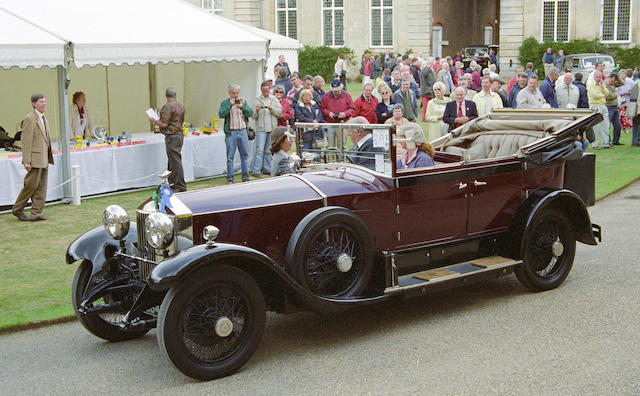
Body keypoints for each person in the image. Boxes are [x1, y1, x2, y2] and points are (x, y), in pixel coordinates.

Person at [12, 93, 54, 221]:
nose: (44, 104)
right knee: (31, 185)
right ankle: (18, 209)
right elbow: (26, 141)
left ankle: (36, 213)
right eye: (41, 102)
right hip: (34, 159)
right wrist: (26, 161)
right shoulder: (30, 118)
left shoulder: (43, 118)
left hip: (44, 158)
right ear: (34, 104)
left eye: (45, 101)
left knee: (41, 187)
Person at [149, 88, 186, 192]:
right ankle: (173, 183)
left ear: (166, 96)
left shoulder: (167, 107)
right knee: (173, 161)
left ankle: (180, 185)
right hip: (179, 134)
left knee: (175, 162)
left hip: (172, 136)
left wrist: (154, 121)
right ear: (175, 95)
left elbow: (164, 123)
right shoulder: (180, 106)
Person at [219, 83, 254, 183]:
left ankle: (245, 177)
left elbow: (251, 113)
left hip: (242, 131)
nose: (236, 95)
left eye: (237, 93)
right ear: (229, 93)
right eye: (233, 93)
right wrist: (230, 105)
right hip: (231, 132)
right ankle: (230, 178)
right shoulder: (225, 103)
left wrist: (242, 107)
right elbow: (221, 114)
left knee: (245, 155)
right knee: (230, 157)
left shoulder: (243, 101)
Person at [252, 81, 282, 177]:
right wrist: (256, 111)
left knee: (269, 150)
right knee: (259, 150)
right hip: (261, 128)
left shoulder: (274, 99)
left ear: (270, 90)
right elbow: (253, 116)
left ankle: (267, 168)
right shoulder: (257, 100)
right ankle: (256, 171)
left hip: (272, 128)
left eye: (267, 91)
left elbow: (279, 112)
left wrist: (271, 108)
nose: (266, 93)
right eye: (264, 91)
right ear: (261, 90)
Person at [321, 79, 355, 146]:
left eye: (337, 90)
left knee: (342, 145)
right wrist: (328, 113)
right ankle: (331, 156)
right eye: (334, 91)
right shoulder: (326, 96)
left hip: (342, 123)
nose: (335, 92)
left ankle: (341, 156)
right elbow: (322, 108)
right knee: (330, 145)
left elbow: (352, 109)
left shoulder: (347, 95)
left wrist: (345, 114)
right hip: (330, 123)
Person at [587, 71, 611, 149]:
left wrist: (602, 87)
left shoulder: (601, 85)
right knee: (596, 126)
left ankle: (605, 143)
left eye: (599, 77)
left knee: (605, 125)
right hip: (595, 105)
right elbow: (594, 95)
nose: (598, 79)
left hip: (603, 105)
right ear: (594, 77)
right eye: (597, 77)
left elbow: (607, 93)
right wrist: (602, 95)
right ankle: (595, 144)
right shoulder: (590, 85)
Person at [604, 72, 623, 145]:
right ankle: (607, 141)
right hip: (609, 106)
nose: (613, 82)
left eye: (614, 81)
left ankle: (616, 140)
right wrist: (616, 93)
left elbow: (622, 83)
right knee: (607, 125)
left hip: (615, 106)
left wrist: (617, 77)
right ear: (609, 78)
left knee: (617, 125)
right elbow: (609, 96)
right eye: (612, 80)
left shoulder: (613, 83)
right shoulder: (606, 84)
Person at [617, 69, 634, 133]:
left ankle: (625, 128)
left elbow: (632, 90)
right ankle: (621, 129)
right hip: (621, 101)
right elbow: (617, 92)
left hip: (627, 100)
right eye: (621, 74)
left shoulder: (629, 82)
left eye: (624, 74)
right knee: (621, 115)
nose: (623, 75)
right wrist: (624, 92)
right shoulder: (618, 83)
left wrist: (630, 92)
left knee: (627, 115)